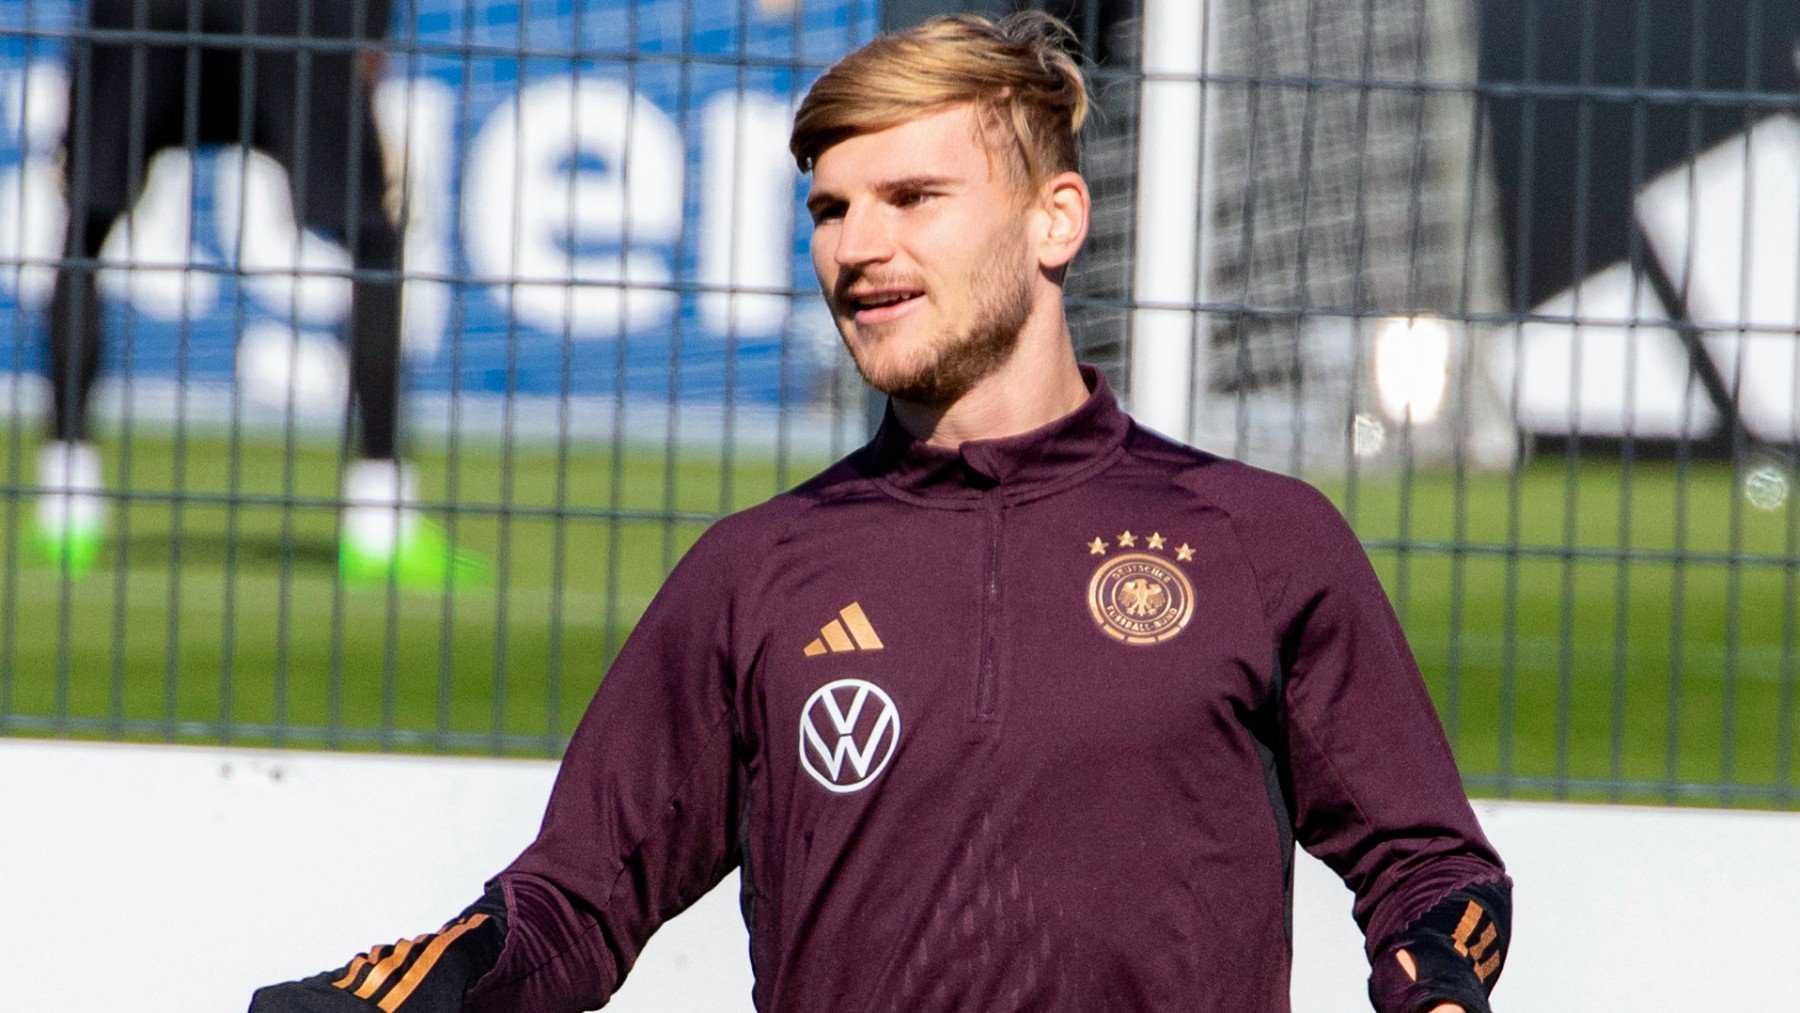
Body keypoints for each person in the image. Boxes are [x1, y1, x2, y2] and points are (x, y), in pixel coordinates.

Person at [251, 13, 1510, 1012]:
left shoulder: (1258, 538)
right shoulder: (755, 571)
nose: (857, 246)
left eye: (912, 198)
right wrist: (417, 988)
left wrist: (1441, 986)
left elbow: (1432, 868)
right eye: (831, 209)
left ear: (1055, 220)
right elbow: (578, 901)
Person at [37, 0, 481, 586]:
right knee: (373, 238)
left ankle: (65, 509)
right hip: (285, 17)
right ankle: (381, 519)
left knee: (82, 231)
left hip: (145, 14)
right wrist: (369, 31)